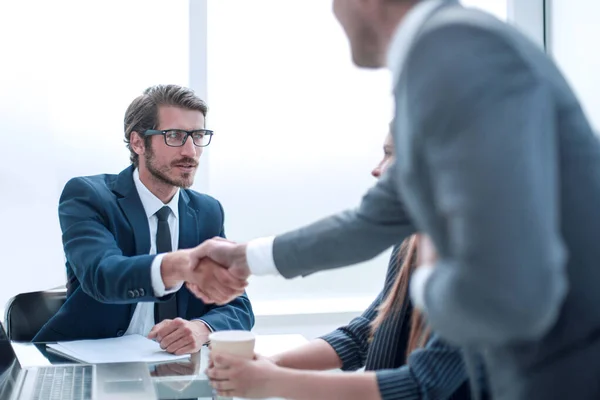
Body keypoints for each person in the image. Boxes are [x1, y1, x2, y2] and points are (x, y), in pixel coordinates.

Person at [191, 0, 600, 399]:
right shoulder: (446, 58)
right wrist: (245, 257)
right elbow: (371, 221)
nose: (334, 11)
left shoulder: (457, 54)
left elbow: (514, 296)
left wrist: (428, 278)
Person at [207, 132, 476, 399]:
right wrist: (269, 364)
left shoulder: (481, 264)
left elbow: (421, 387)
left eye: (391, 154)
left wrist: (273, 381)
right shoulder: (408, 244)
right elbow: (364, 335)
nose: (377, 169)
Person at [34, 84, 254, 355]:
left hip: (172, 370)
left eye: (197, 135)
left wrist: (201, 328)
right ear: (138, 142)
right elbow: (103, 275)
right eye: (174, 135)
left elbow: (237, 304)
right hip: (87, 361)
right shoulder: (89, 196)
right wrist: (181, 265)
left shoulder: (208, 211)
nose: (190, 151)